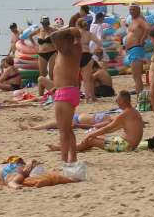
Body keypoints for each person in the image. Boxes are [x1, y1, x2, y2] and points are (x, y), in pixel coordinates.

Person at [61, 91, 144, 153]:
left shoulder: (124, 114)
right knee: (99, 136)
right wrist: (93, 131)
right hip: (129, 144)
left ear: (122, 101)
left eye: (117, 100)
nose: (116, 102)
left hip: (125, 146)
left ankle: (63, 148)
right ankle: (76, 146)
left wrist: (90, 134)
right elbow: (110, 128)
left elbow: (107, 128)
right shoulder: (133, 112)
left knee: (91, 140)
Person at [48, 26, 83, 163]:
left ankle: (64, 160)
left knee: (63, 130)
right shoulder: (74, 49)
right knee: (67, 129)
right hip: (68, 91)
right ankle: (73, 157)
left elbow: (54, 36)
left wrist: (68, 30)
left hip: (65, 92)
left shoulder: (67, 49)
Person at [122, 6, 149, 96]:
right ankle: (139, 95)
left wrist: (142, 39)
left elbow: (148, 28)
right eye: (130, 9)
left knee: (137, 76)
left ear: (138, 10)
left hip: (136, 49)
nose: (131, 11)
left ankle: (140, 97)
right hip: (131, 50)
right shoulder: (132, 21)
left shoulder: (140, 20)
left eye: (133, 9)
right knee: (135, 76)